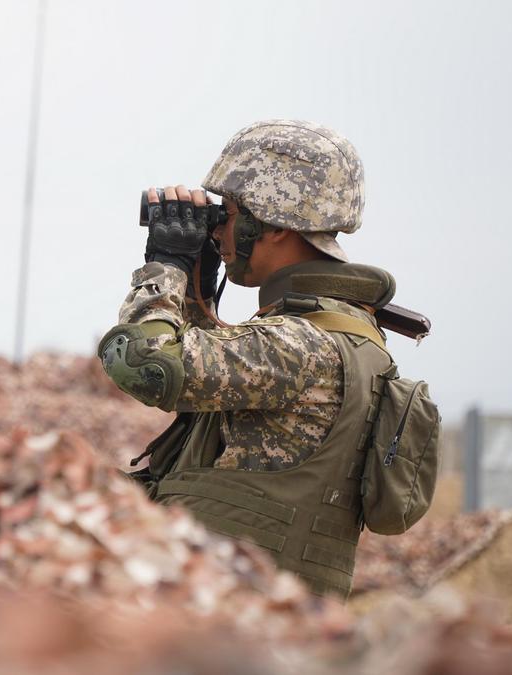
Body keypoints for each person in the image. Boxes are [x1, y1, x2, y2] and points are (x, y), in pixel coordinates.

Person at [99, 120, 399, 599]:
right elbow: (209, 390)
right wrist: (197, 283)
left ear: (275, 226)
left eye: (231, 212)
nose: (220, 226)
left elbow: (144, 365)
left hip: (236, 617)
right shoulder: (336, 332)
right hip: (253, 607)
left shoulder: (301, 345)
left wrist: (166, 265)